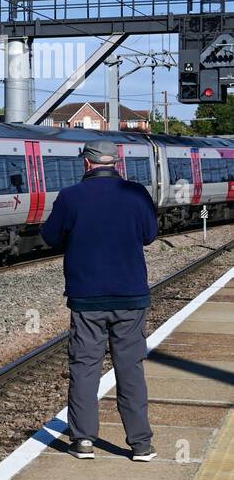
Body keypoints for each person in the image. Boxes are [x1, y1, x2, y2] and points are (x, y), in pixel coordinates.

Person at [40, 139, 159, 461]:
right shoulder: (137, 194)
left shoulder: (70, 197)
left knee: (85, 367)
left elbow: (50, 237)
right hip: (131, 296)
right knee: (130, 368)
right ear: (116, 163)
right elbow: (149, 235)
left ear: (87, 163)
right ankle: (141, 444)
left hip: (87, 297)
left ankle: (82, 441)